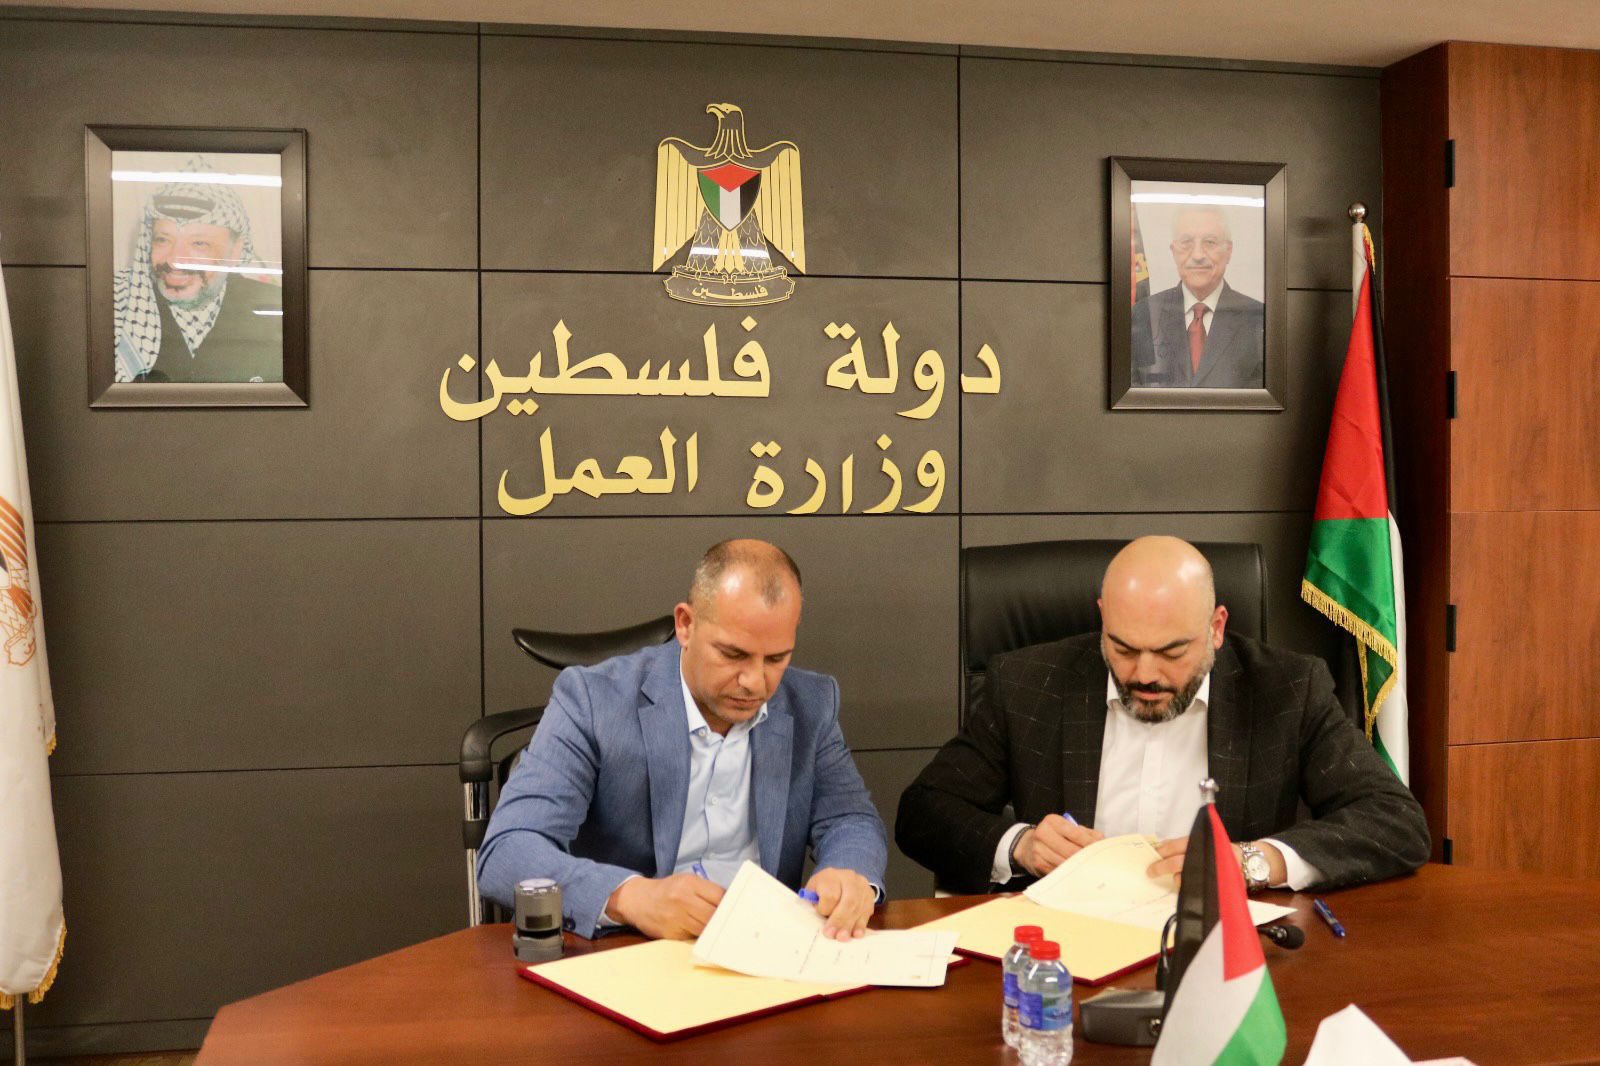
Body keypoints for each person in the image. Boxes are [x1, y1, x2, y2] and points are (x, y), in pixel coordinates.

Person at [895, 536, 1429, 895]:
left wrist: (1252, 861)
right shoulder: (1029, 684)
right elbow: (924, 813)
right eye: (1123, 648)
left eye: (1172, 652)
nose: (1144, 674)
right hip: (1072, 948)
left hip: (1221, 955)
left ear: (1216, 628)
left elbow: (1395, 822)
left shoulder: (1286, 689)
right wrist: (1021, 845)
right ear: (1102, 618)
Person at [478, 539, 888, 940]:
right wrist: (629, 897)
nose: (754, 681)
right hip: (632, 948)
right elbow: (508, 850)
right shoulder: (592, 700)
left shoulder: (811, 703)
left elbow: (850, 820)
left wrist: (848, 876)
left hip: (764, 951)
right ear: (686, 625)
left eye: (776, 658)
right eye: (733, 654)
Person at [113, 165, 283, 384]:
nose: (174, 260)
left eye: (199, 243)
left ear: (235, 251)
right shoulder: (117, 303)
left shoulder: (277, 306)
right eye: (163, 239)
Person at [1130, 206, 1265, 389]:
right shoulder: (1143, 315)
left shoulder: (1259, 319)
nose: (1198, 255)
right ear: (1173, 251)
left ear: (1229, 251)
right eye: (1186, 242)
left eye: (1210, 242)